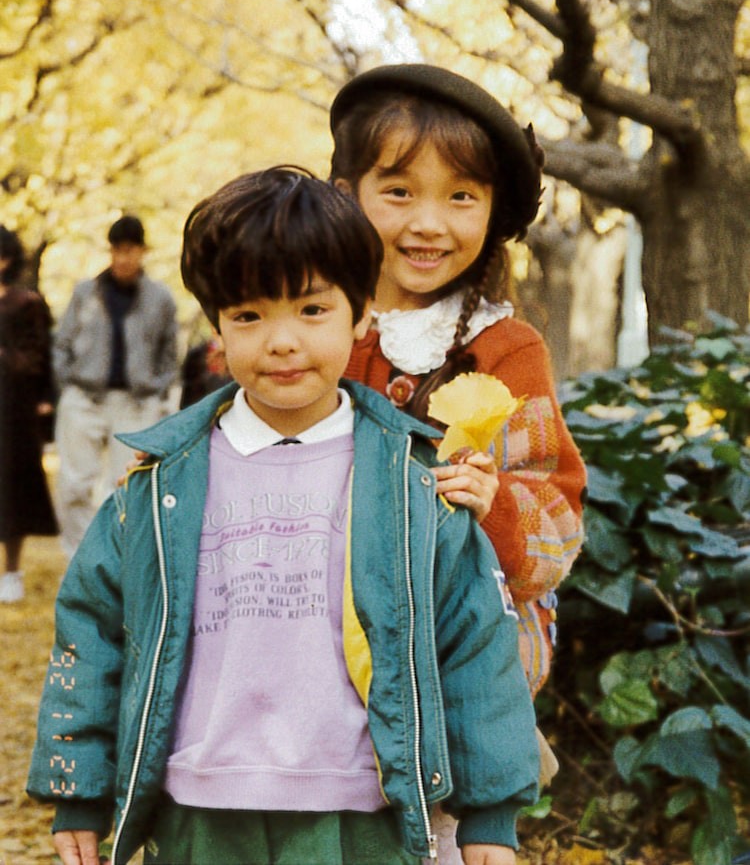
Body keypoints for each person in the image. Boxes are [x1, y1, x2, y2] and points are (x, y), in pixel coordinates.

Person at [28, 167, 539, 865]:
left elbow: (475, 639)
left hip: (358, 811)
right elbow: (91, 630)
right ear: (217, 330)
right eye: (248, 315)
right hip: (197, 809)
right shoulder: (159, 487)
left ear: (363, 314)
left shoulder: (413, 484)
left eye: (311, 309)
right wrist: (79, 790)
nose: (281, 339)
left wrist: (490, 816)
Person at [329, 67, 586, 860]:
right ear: (346, 191)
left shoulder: (504, 350)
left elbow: (557, 526)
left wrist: (494, 499)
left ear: (494, 212)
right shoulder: (318, 327)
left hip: (449, 661)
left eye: (460, 196)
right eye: (398, 191)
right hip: (316, 641)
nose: (428, 223)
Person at [52, 215, 178, 559]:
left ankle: (118, 562)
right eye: (117, 250)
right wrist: (67, 386)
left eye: (130, 250)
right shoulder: (85, 292)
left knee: (127, 485)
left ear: (143, 251)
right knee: (75, 483)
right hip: (84, 396)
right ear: (109, 251)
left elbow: (169, 354)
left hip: (136, 403)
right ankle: (79, 559)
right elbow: (61, 343)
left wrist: (158, 389)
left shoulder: (160, 298)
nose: (123, 258)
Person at [0, 226, 58, 603]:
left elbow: (38, 357)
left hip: (12, 412)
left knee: (13, 492)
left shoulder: (27, 304)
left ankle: (11, 571)